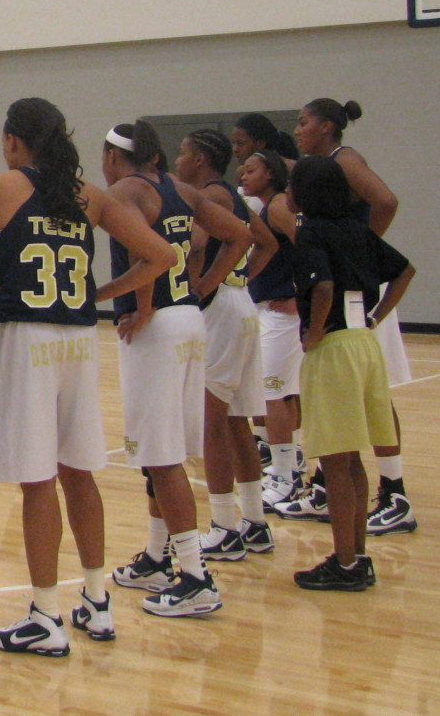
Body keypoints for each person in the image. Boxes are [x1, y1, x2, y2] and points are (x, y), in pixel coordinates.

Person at [0, 99, 174, 657]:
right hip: (80, 341)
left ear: (12, 140)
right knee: (79, 473)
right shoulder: (90, 195)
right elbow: (162, 256)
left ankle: (44, 615)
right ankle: (98, 603)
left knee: (38, 481)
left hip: (25, 338)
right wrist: (100, 296)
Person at [102, 120, 251, 617]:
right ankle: (155, 555)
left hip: (159, 326)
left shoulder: (125, 190)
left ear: (111, 155)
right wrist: (204, 287)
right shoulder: (181, 190)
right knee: (160, 450)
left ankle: (194, 577)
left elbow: (149, 253)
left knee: (161, 456)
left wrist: (139, 305)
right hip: (189, 320)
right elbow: (242, 235)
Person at [286, 98, 416, 535]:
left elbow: (387, 200)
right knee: (353, 409)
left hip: (354, 295)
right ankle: (327, 486)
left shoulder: (345, 159)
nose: (299, 130)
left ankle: (394, 490)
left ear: (326, 127)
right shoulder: (319, 174)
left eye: (304, 123)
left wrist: (356, 250)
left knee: (370, 402)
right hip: (347, 290)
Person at [173, 131, 277, 562]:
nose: (177, 161)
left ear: (198, 159)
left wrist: (201, 287)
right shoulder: (232, 194)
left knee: (211, 421)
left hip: (220, 309)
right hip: (243, 306)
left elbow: (197, 245)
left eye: (182, 153)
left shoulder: (207, 195)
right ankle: (254, 522)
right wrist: (238, 279)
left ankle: (223, 527)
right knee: (236, 422)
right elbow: (265, 243)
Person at [238, 150, 307, 507]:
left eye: (251, 169)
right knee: (284, 392)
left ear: (271, 173)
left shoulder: (278, 205)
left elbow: (310, 249)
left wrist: (301, 295)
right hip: (271, 307)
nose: (243, 173)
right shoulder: (268, 206)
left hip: (284, 311)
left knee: (273, 393)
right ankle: (291, 461)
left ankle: (285, 476)